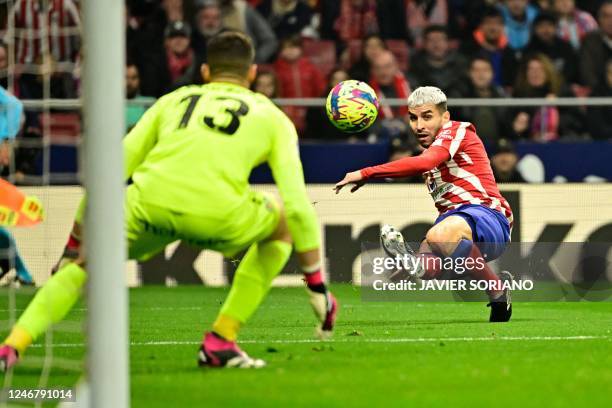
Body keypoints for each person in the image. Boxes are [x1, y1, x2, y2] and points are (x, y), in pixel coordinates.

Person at [0, 31, 337, 371]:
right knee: (280, 227)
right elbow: (297, 205)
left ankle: (12, 347)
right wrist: (316, 283)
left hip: (148, 205)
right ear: (251, 74)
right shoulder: (272, 117)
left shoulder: (174, 100)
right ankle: (221, 340)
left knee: (83, 268)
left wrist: (76, 242)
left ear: (205, 71)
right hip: (218, 215)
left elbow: (111, 170)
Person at [334, 86, 514, 323]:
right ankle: (415, 264)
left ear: (444, 116)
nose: (419, 125)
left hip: (487, 215)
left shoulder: (457, 130)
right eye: (413, 118)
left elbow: (424, 162)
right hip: (455, 225)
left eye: (427, 116)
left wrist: (366, 173)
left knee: (438, 236)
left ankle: (497, 290)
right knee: (427, 267)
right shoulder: (430, 149)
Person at [409, 25, 468, 94]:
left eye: (440, 40)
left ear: (448, 43)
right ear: (424, 44)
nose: (436, 44)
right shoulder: (415, 66)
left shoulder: (461, 64)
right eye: (431, 40)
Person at [579, 1, 612, 89]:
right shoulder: (590, 41)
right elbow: (587, 73)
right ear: (599, 19)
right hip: (599, 95)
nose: (610, 21)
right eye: (606, 16)